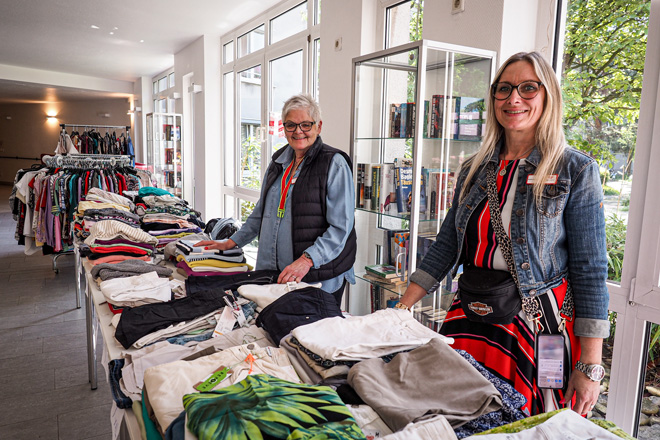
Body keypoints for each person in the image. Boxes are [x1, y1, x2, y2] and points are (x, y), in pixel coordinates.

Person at [397, 52, 609, 417]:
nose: (514, 99)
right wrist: (401, 309)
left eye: (528, 88)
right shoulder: (473, 169)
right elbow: (447, 244)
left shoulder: (576, 169)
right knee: (457, 411)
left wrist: (590, 365)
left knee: (526, 421)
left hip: (536, 322)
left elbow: (590, 268)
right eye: (504, 89)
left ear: (548, 96)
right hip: (472, 313)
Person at [196, 94, 356, 306]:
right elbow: (261, 214)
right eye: (291, 125)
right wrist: (230, 243)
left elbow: (341, 227)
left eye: (306, 124)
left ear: (319, 126)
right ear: (284, 128)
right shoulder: (278, 163)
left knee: (310, 332)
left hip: (318, 276)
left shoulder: (333, 163)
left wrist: (307, 260)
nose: (298, 131)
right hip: (277, 272)